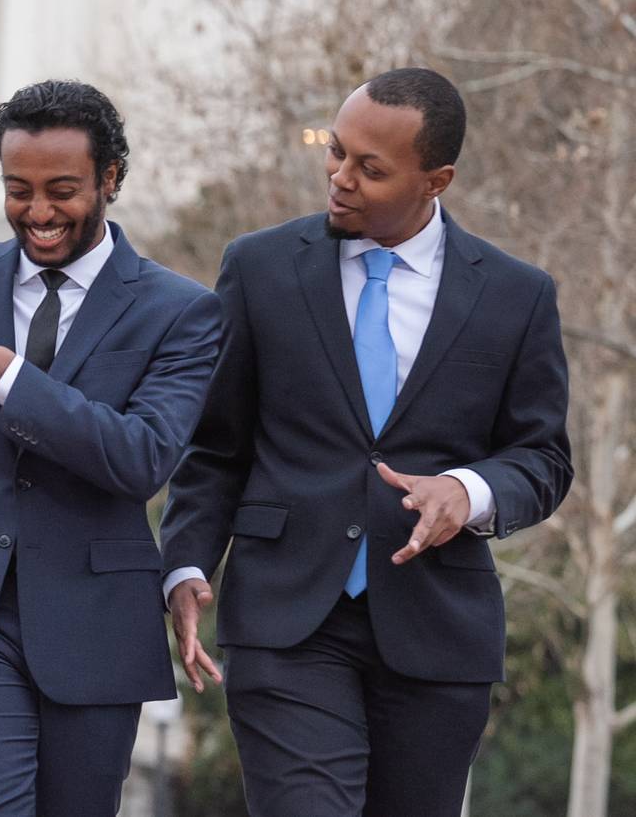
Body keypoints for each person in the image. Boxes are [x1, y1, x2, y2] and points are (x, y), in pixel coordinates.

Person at [160, 68, 574, 817]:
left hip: (437, 634)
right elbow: (216, 446)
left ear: (436, 179)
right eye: (337, 151)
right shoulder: (259, 269)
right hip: (284, 624)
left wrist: (468, 490)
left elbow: (542, 458)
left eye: (370, 168)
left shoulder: (517, 295)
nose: (340, 178)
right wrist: (186, 560)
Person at [0, 79, 223, 816]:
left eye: (61, 190)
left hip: (96, 627)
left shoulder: (181, 311)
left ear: (110, 180)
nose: (37, 212)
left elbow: (143, 457)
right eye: (17, 189)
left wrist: (6, 374)